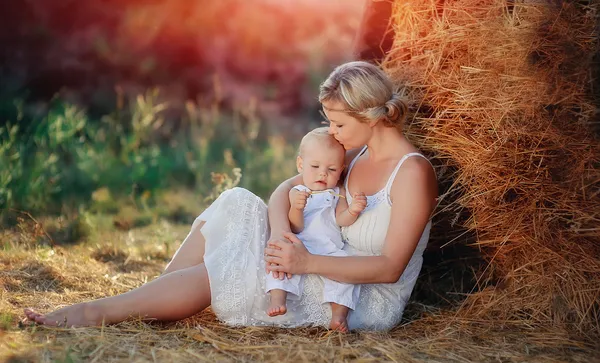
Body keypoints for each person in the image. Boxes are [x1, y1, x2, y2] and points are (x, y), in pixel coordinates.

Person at [24, 61, 438, 331]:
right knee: (238, 200)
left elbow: (389, 268)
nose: (331, 133)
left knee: (238, 264)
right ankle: (153, 298)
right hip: (314, 255)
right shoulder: (355, 152)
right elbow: (286, 188)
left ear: (371, 116)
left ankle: (100, 312)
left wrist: (306, 261)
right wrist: (282, 234)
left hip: (357, 297)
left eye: (338, 124)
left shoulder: (413, 173)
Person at [266, 127, 366, 332]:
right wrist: (296, 207)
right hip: (301, 244)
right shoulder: (298, 191)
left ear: (341, 170)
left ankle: (339, 314)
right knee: (279, 261)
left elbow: (341, 219)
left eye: (331, 169)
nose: (323, 173)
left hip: (329, 249)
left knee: (347, 273)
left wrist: (353, 210)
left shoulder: (338, 192)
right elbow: (296, 226)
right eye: (315, 166)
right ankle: (278, 298)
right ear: (300, 164)